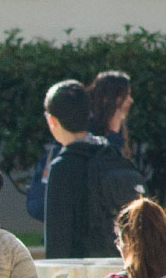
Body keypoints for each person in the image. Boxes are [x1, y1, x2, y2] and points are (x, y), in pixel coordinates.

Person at [39, 79, 143, 262]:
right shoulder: (112, 154)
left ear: (52, 120)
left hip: (83, 272)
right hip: (120, 266)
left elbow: (58, 238)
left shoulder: (62, 167)